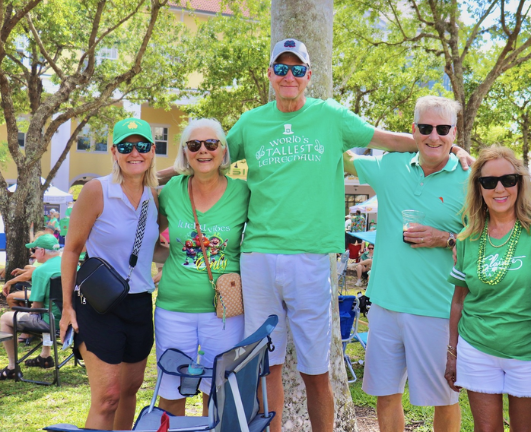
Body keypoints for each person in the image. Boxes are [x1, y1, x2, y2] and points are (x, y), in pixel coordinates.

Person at [154, 38, 472, 432]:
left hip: (312, 257)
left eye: (297, 69)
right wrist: (147, 177)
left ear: (309, 75)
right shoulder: (251, 122)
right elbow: (207, 156)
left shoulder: (331, 117)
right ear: (270, 74)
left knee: (316, 371)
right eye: (281, 68)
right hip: (258, 257)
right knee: (263, 367)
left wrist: (445, 146)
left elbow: (384, 138)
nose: (289, 76)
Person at [343, 95, 468, 432]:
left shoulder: (470, 179)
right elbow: (341, 152)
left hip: (437, 308)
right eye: (425, 128)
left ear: (455, 132)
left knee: (445, 399)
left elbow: (488, 240)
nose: (434, 136)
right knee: (386, 395)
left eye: (443, 129)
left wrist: (447, 238)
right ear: (413, 130)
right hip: (384, 305)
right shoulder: (390, 165)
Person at [59, 117, 159, 430]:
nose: (135, 153)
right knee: (107, 398)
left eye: (142, 146)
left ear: (152, 150)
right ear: (113, 152)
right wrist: (66, 307)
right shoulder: (96, 190)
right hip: (99, 305)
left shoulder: (155, 196)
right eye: (126, 147)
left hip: (139, 304)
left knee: (129, 391)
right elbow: (71, 250)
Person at [446, 146, 531, 432]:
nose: (499, 188)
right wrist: (452, 353)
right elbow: (459, 300)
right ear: (479, 188)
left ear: (520, 183)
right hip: (477, 349)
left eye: (508, 180)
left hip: (530, 350)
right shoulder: (467, 236)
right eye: (489, 182)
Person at [152, 119, 249, 416]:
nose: (203, 150)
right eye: (194, 145)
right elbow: (153, 243)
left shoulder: (243, 192)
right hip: (174, 310)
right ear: (185, 152)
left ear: (224, 150)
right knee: (172, 392)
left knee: (218, 394)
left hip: (225, 313)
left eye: (211, 144)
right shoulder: (171, 191)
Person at [0, 234, 62, 379]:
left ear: (42, 251)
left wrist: (25, 311)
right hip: (73, 321)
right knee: (48, 310)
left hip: (50, 322)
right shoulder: (73, 266)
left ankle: (12, 367)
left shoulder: (41, 271)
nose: (33, 254)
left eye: (34, 250)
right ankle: (45, 356)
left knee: (5, 318)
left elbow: (36, 306)